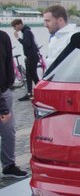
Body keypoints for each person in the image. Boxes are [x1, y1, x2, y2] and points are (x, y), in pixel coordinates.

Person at [0, 29, 29, 179]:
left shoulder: (3, 36)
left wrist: (10, 85)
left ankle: (8, 166)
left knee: (8, 132)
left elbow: (8, 61)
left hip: (5, 90)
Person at [11, 18, 40, 101]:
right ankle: (33, 92)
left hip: (32, 56)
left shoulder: (26, 32)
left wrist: (18, 38)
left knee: (30, 75)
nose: (14, 29)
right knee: (31, 75)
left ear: (19, 24)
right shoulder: (27, 31)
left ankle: (31, 93)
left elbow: (27, 44)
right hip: (32, 56)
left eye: (14, 27)